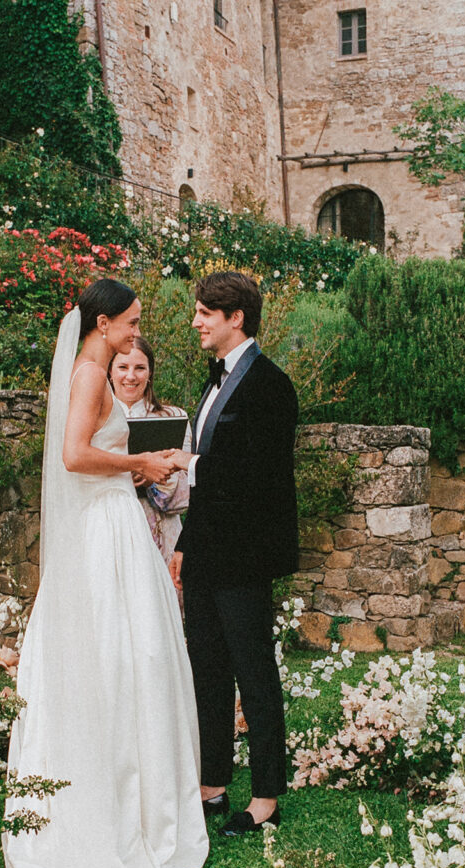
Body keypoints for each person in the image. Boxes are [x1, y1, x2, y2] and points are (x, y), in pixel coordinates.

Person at [0, 279, 209, 868]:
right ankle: (118, 813)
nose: (137, 333)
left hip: (114, 530)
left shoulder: (91, 369)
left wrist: (146, 465)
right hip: (102, 529)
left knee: (139, 662)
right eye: (133, 323)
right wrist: (141, 467)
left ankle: (143, 807)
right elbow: (77, 455)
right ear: (104, 324)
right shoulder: (86, 373)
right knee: (122, 661)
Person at [168, 271, 299, 838]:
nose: (196, 321)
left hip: (244, 556)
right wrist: (183, 544)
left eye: (204, 312)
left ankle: (267, 795)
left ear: (235, 318)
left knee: (254, 672)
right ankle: (212, 785)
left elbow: (258, 477)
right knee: (209, 672)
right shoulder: (214, 380)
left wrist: (185, 462)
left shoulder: (271, 386)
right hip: (205, 553)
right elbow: (206, 488)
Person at [109, 336, 192, 566]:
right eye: (123, 367)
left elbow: (187, 494)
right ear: (110, 371)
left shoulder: (173, 417)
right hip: (112, 531)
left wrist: (152, 481)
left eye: (140, 368)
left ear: (150, 373)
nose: (131, 376)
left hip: (162, 536)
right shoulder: (95, 421)